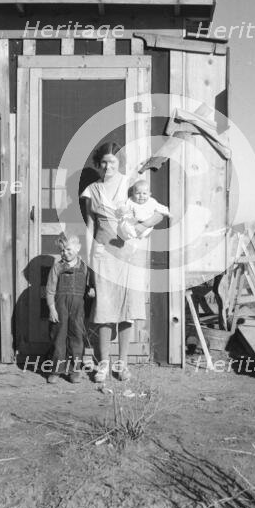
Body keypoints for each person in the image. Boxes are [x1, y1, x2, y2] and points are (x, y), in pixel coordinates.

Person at [80, 142, 164, 383]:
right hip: (103, 254)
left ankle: (122, 363)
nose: (108, 166)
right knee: (104, 309)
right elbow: (90, 226)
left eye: (113, 162)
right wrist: (90, 260)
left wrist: (143, 225)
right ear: (98, 163)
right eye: (104, 162)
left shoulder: (130, 185)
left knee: (128, 310)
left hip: (130, 254)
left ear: (119, 164)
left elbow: (156, 212)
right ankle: (103, 364)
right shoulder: (91, 191)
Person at [45, 235, 93, 384]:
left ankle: (74, 370)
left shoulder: (84, 267)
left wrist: (91, 290)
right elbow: (50, 290)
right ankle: (56, 370)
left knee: (77, 338)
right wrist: (52, 309)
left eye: (68, 249)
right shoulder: (57, 267)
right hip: (60, 307)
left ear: (78, 248)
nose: (65, 253)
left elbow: (89, 286)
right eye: (62, 250)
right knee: (58, 337)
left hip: (78, 308)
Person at [116, 180, 170, 244]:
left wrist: (167, 212)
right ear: (133, 193)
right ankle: (130, 234)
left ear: (149, 194)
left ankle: (134, 234)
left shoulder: (151, 201)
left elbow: (160, 209)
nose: (141, 196)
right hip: (133, 224)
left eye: (144, 193)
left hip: (146, 224)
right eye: (138, 193)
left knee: (145, 228)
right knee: (126, 225)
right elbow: (126, 210)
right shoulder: (131, 201)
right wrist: (123, 211)